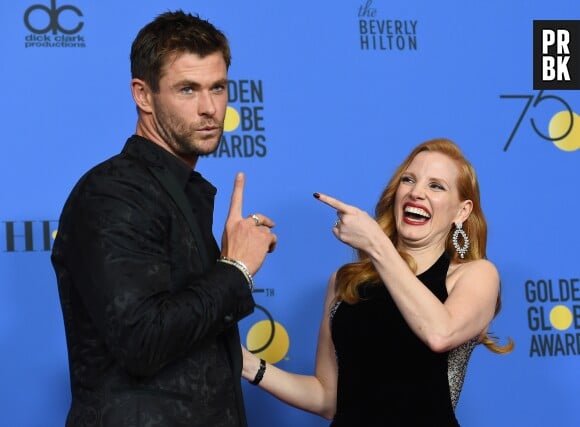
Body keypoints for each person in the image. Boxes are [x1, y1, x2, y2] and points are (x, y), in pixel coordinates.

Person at [51, 10, 277, 427]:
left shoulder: (176, 191)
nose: (210, 108)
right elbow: (142, 340)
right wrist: (236, 269)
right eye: (187, 90)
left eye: (218, 88)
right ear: (143, 94)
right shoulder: (114, 191)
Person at [241, 138, 513, 426]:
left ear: (462, 211)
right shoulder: (345, 281)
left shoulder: (475, 275)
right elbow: (328, 398)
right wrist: (245, 363)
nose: (416, 192)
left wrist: (376, 243)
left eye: (436, 186)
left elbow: (440, 334)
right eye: (409, 180)